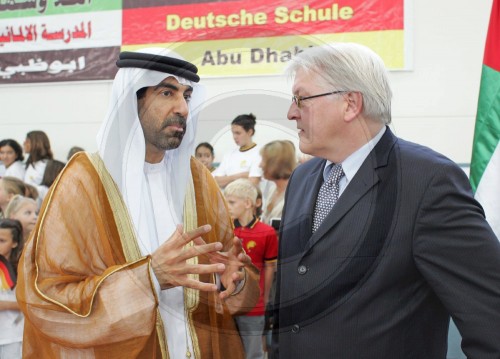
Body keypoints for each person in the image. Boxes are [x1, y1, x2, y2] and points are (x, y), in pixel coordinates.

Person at [16, 48, 259, 359]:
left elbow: (230, 271)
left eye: (186, 95)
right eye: (167, 92)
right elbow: (46, 296)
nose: (183, 107)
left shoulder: (198, 180)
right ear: (132, 101)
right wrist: (149, 278)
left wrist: (235, 283)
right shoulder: (82, 182)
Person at [272, 42, 500, 358]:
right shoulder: (303, 178)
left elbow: (490, 317)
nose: (291, 112)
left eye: (301, 98)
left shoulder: (427, 182)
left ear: (350, 104)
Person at [224, 179, 278, 359]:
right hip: (226, 303)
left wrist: (265, 296)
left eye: (231, 202)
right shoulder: (226, 230)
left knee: (253, 353)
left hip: (254, 305)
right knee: (229, 351)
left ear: (248, 203)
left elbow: (270, 267)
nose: (227, 206)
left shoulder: (267, 232)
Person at [213, 113, 262, 188]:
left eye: (238, 133)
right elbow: (216, 181)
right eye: (233, 133)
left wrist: (227, 178)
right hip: (227, 198)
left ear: (250, 132)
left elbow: (253, 182)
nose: (234, 137)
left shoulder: (260, 153)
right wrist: (242, 175)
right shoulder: (229, 154)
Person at [0, 218, 24, 359]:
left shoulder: (21, 269)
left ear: (14, 243)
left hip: (12, 337)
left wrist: (7, 305)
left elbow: (30, 303)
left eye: (2, 241)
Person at [259, 140, 297, 226]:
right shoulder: (273, 189)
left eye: (263, 160)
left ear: (276, 163)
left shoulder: (296, 193)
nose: (260, 165)